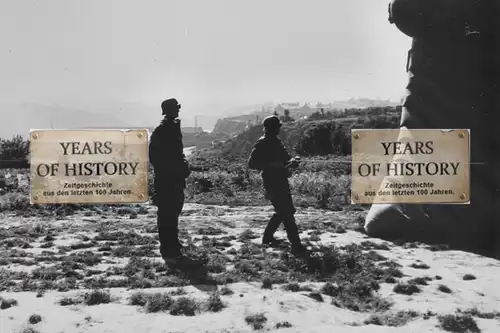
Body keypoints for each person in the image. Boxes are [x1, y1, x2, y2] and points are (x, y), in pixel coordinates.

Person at [149, 98, 203, 266]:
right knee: (167, 213)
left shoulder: (171, 127)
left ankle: (172, 244)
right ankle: (169, 248)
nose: (178, 110)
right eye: (176, 108)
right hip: (167, 179)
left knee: (173, 211)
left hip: (173, 178)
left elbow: (177, 154)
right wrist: (174, 170)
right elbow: (156, 157)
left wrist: (182, 166)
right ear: (169, 110)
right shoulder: (163, 129)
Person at [248, 115, 307, 256]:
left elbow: (285, 159)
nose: (279, 129)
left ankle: (267, 238)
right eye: (277, 127)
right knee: (286, 212)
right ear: (271, 128)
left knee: (285, 211)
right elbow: (252, 164)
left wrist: (293, 161)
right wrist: (271, 165)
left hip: (281, 180)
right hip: (271, 182)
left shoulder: (276, 142)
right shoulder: (262, 143)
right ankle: (296, 245)